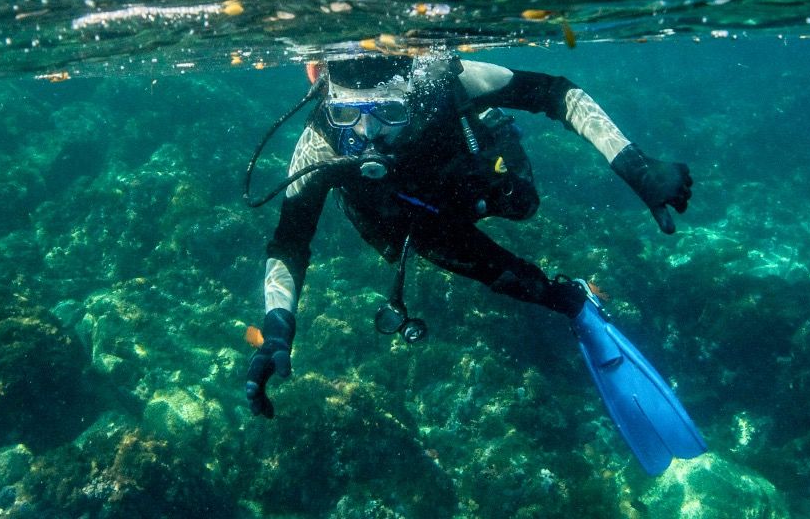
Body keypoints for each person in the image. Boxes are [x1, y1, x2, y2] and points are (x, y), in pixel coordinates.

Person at [242, 50, 707, 473]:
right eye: (346, 114)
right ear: (319, 81)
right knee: (498, 275)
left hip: (468, 176)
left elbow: (557, 92)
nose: (367, 135)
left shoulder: (452, 81)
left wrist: (635, 165)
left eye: (389, 113)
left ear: (416, 89)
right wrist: (278, 325)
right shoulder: (320, 141)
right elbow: (289, 242)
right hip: (410, 221)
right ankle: (573, 302)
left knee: (522, 204)